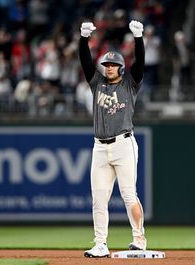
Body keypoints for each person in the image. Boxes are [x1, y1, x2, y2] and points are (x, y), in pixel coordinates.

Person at [79, 19, 146, 258]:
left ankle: (139, 239)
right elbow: (86, 63)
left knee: (129, 194)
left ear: (120, 68)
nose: (108, 68)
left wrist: (138, 39)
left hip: (123, 144)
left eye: (112, 65)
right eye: (106, 64)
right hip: (99, 146)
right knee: (99, 198)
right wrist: (83, 40)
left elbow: (139, 65)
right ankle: (100, 244)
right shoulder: (96, 83)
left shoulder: (130, 84)